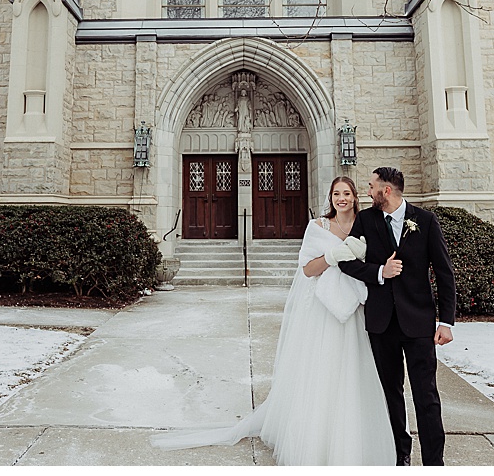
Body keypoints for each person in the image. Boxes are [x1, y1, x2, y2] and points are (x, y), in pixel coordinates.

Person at [150, 176, 394, 465]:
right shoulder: (317, 227)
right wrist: (332, 255)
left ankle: (350, 438)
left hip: (353, 308)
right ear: (330, 197)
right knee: (323, 370)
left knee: (351, 370)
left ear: (355, 197)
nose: (341, 198)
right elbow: (307, 270)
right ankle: (316, 439)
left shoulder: (367, 224)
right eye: (336, 193)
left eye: (347, 193)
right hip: (324, 311)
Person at [335, 166, 457, 466]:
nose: (367, 191)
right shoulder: (366, 220)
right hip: (381, 323)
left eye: (371, 186)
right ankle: (399, 456)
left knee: (426, 396)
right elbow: (345, 261)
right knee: (390, 394)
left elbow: (444, 272)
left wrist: (446, 321)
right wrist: (379, 272)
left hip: (418, 324)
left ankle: (434, 463)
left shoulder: (425, 221)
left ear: (385, 191)